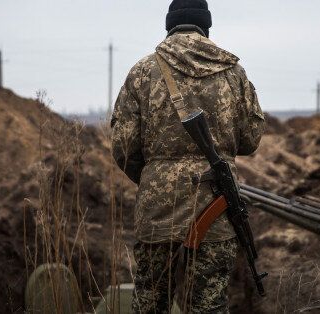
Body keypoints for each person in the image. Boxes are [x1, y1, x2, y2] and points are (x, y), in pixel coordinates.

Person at [111, 0, 265, 312]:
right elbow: (250, 140)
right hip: (217, 203)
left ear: (170, 25)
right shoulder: (234, 73)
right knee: (208, 305)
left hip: (157, 210)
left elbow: (123, 146)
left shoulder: (142, 72)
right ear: (205, 25)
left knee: (151, 303)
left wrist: (157, 176)